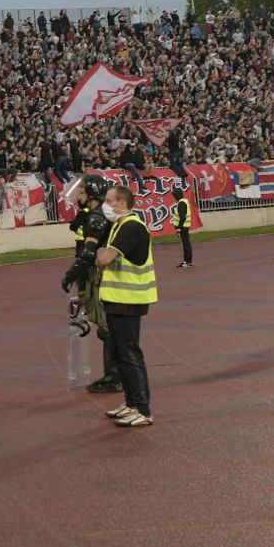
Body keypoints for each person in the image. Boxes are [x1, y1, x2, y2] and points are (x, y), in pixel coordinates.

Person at [94, 182, 157, 426]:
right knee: (121, 353)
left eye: (109, 201)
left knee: (129, 353)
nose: (105, 206)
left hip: (129, 299)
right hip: (118, 298)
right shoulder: (119, 225)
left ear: (122, 203)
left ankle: (142, 408)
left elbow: (104, 259)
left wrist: (99, 251)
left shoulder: (131, 226)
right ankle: (131, 402)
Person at [61, 176, 119, 395]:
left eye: (83, 192)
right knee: (106, 326)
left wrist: (70, 275)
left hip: (97, 273)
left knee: (106, 327)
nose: (80, 196)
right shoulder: (100, 214)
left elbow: (88, 252)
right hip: (101, 273)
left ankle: (114, 376)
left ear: (93, 194)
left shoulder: (96, 216)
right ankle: (114, 375)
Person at [173, 191, 195, 268]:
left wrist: (179, 227)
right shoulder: (185, 202)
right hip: (185, 226)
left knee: (185, 244)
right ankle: (188, 261)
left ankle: (187, 261)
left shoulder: (181, 204)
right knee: (186, 243)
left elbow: (182, 217)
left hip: (183, 227)